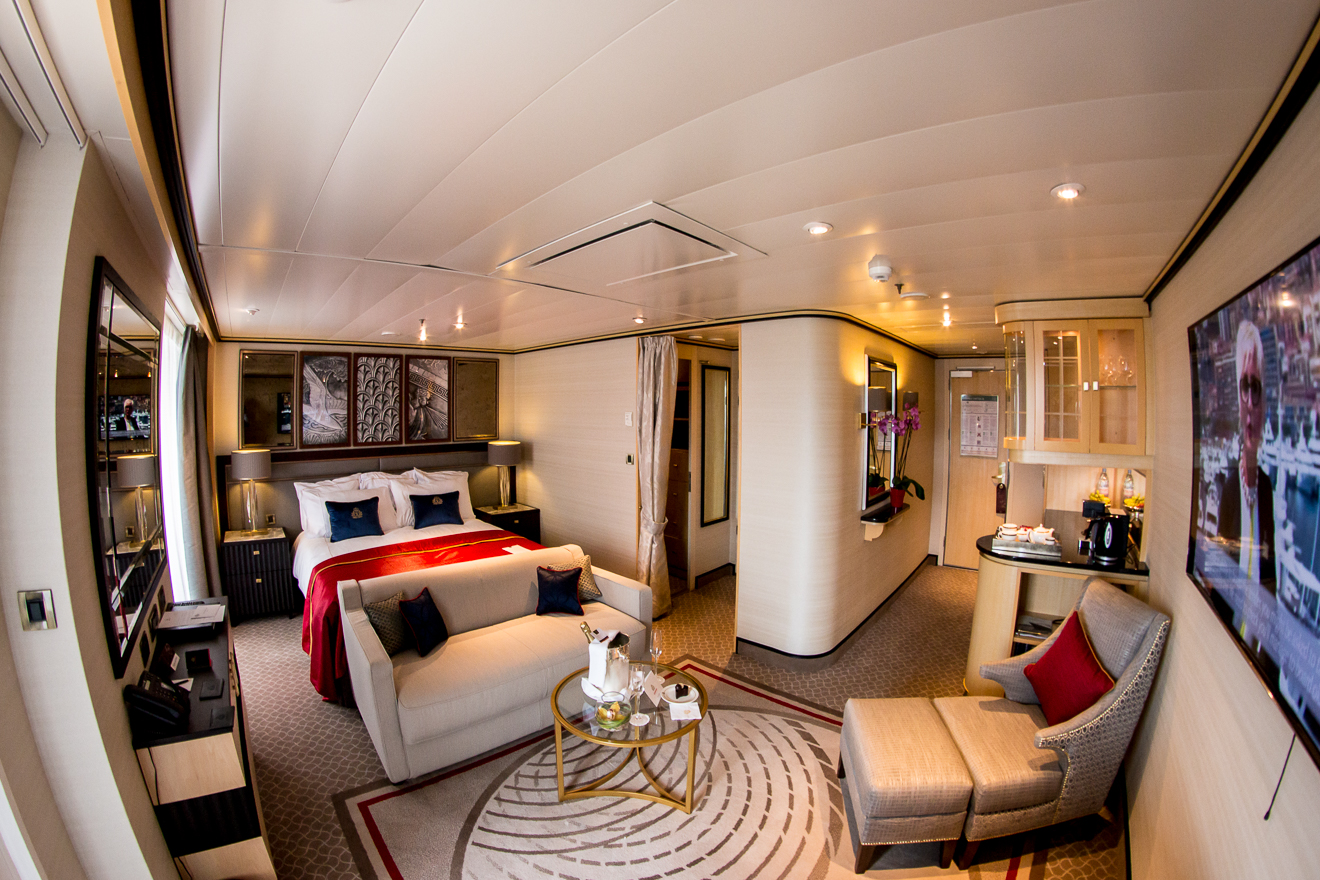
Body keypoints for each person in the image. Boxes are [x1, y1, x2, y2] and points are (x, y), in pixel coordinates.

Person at [1217, 320, 1275, 592]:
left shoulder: (1266, 487)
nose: (1251, 402)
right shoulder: (1230, 489)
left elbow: (1270, 572)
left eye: (1256, 388)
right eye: (1244, 387)